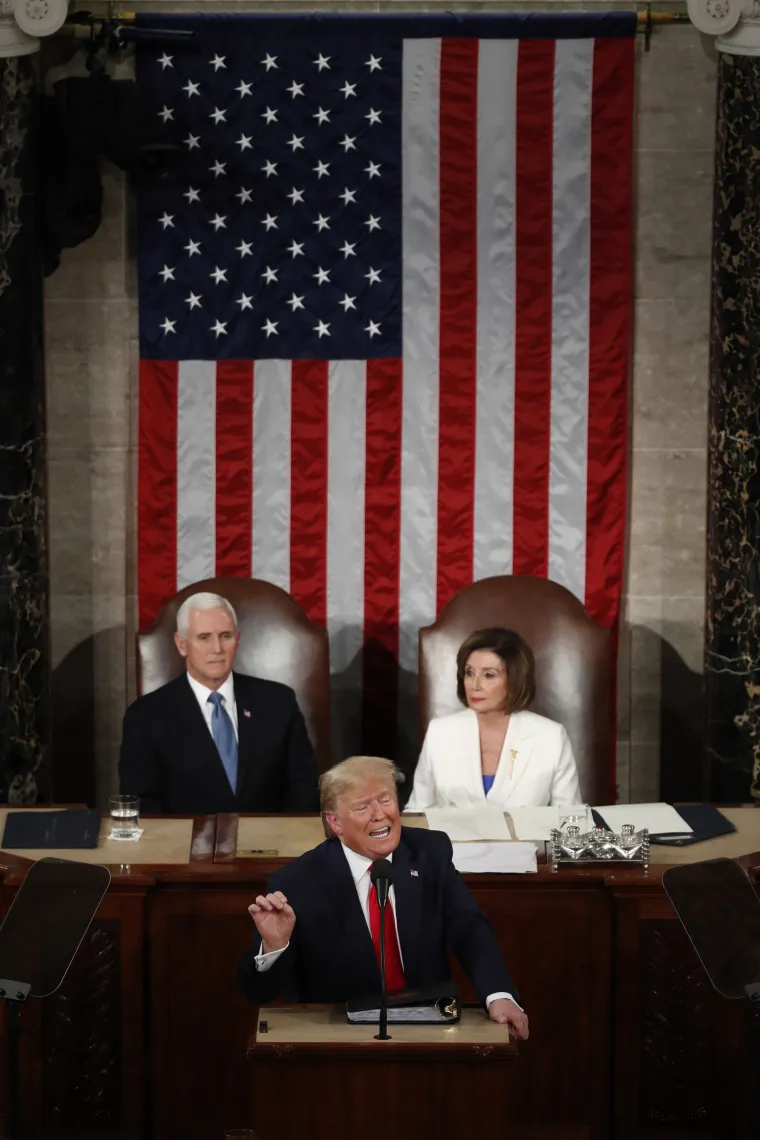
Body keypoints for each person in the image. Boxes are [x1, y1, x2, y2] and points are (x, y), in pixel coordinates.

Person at [238, 755, 529, 1039]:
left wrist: (499, 994)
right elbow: (258, 992)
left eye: (386, 800)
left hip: (427, 1031)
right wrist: (275, 946)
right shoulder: (297, 882)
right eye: (362, 806)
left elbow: (469, 928)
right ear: (335, 823)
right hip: (341, 1040)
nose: (380, 814)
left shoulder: (429, 853)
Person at [119, 591, 319, 814]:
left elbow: (305, 791)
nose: (217, 648)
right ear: (181, 644)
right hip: (185, 837)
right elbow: (143, 806)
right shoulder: (145, 717)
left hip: (273, 835)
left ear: (237, 640)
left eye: (225, 636)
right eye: (204, 637)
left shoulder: (278, 703)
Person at [406, 627, 581, 811]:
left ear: (514, 680)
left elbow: (571, 817)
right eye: (469, 673)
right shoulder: (440, 732)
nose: (475, 685)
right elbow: (418, 812)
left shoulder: (551, 736)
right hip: (450, 832)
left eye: (488, 675)